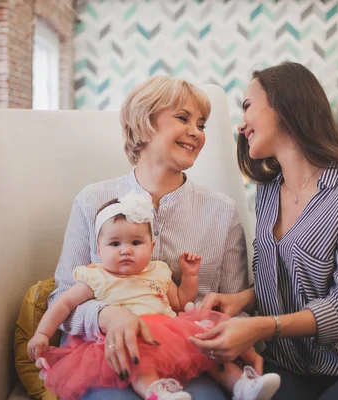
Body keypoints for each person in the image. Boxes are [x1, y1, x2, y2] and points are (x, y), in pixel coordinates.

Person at [188, 62, 338, 400]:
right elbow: (282, 280)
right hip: (286, 367)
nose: (241, 123)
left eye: (247, 106)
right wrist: (241, 300)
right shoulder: (268, 192)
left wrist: (261, 326)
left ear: (285, 105)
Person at [49, 75, 252, 399]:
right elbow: (61, 298)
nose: (196, 133)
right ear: (144, 123)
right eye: (183, 118)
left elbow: (235, 307)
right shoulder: (91, 200)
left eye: (201, 124)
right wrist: (106, 315)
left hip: (193, 361)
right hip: (106, 359)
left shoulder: (222, 211)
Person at [30, 192, 280, 400]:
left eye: (136, 243)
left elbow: (181, 302)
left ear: (151, 247)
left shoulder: (158, 272)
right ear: (98, 249)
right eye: (115, 244)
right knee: (139, 361)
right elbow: (64, 303)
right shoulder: (97, 277)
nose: (125, 250)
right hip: (126, 339)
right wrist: (42, 334)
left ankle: (242, 385)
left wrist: (190, 276)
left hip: (170, 333)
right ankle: (157, 393)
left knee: (206, 351)